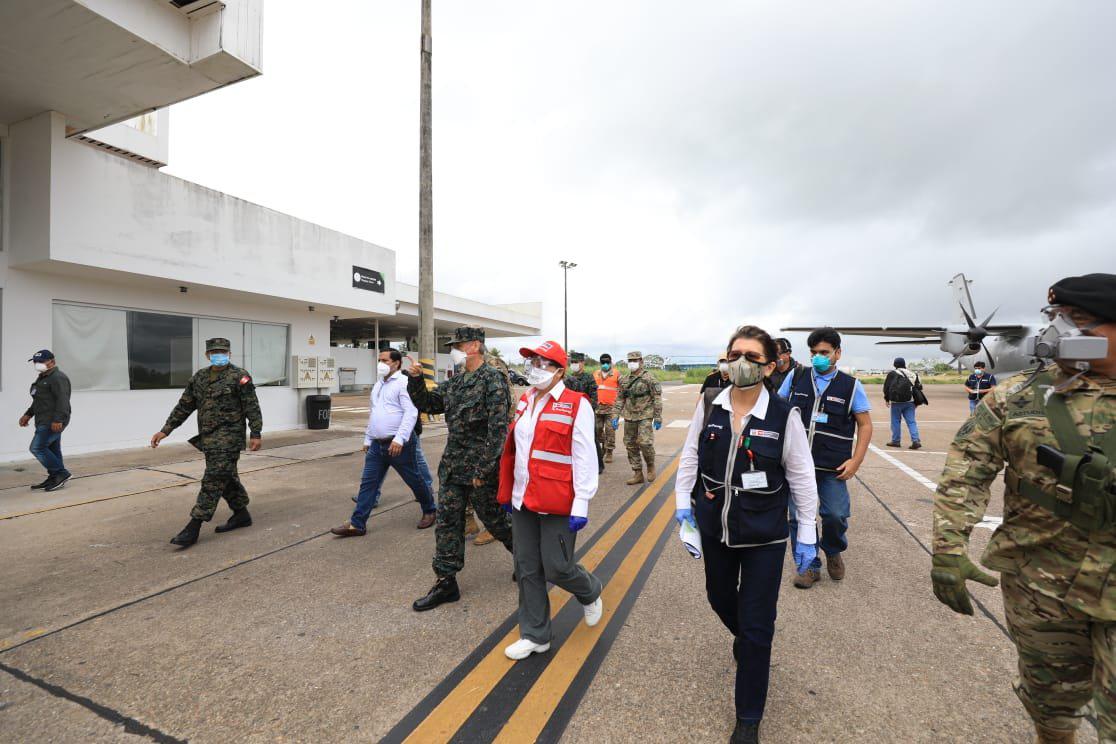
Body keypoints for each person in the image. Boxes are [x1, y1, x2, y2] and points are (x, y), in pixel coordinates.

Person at [931, 273, 1116, 744]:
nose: (1057, 331)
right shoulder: (1018, 396)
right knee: (1050, 706)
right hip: (1040, 586)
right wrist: (948, 547)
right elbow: (966, 469)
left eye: (1078, 321)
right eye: (1056, 318)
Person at [675, 325, 819, 744]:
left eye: (752, 357)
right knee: (719, 598)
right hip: (715, 528)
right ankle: (748, 641)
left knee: (758, 628)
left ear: (770, 366)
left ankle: (748, 719)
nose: (741, 362)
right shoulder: (709, 403)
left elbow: (802, 477)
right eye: (735, 353)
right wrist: (682, 506)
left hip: (764, 536)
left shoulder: (783, 413)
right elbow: (689, 457)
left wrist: (806, 533)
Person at [498, 341, 603, 660]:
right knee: (527, 567)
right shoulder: (525, 400)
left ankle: (590, 590)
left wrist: (582, 501)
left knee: (557, 567)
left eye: (542, 363)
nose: (534, 368)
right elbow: (517, 450)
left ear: (559, 371)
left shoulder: (576, 404)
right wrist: (508, 491)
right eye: (532, 362)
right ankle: (535, 635)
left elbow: (585, 455)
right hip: (523, 498)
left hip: (559, 499)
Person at [405, 326, 514, 611]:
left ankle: (529, 562)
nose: (452, 349)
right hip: (453, 465)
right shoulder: (456, 381)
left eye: (458, 344)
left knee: (497, 522)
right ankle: (445, 581)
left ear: (474, 346)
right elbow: (428, 403)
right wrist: (416, 380)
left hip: (479, 467)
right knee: (447, 523)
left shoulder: (492, 379)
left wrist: (485, 469)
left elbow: (498, 428)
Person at [778, 327, 873, 588]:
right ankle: (809, 566)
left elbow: (865, 425)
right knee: (798, 518)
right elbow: (777, 410)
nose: (818, 357)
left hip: (833, 466)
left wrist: (856, 460)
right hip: (797, 465)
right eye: (813, 353)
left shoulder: (851, 386)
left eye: (824, 352)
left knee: (835, 515)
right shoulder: (796, 379)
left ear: (837, 354)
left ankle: (832, 550)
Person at [152, 337, 262, 547]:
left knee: (213, 479)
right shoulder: (200, 378)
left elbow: (252, 407)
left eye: (222, 351)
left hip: (229, 438)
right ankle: (241, 514)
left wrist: (255, 433)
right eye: (214, 352)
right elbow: (184, 406)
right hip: (208, 438)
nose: (218, 355)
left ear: (229, 354)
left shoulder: (240, 377)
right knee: (226, 476)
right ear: (207, 355)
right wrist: (165, 430)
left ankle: (194, 526)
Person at [331, 349, 436, 537]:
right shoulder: (378, 384)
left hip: (399, 444)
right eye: (379, 359)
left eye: (384, 360)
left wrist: (399, 439)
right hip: (377, 445)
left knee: (415, 480)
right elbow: (375, 413)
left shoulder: (404, 382)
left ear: (396, 363)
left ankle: (429, 510)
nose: (380, 363)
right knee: (368, 483)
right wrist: (368, 438)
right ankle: (357, 524)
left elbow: (411, 413)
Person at [472, 351, 517, 547]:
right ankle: (468, 521)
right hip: (472, 434)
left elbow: (503, 397)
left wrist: (502, 428)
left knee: (492, 481)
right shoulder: (467, 365)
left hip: (494, 429)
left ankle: (495, 526)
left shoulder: (494, 364)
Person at [18, 350, 72, 492]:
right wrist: (28, 414)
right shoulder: (42, 378)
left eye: (41, 361)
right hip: (43, 420)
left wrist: (58, 419)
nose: (37, 364)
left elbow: (63, 401)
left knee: (37, 447)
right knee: (53, 450)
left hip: (53, 420)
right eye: (35, 362)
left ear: (52, 362)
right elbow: (39, 401)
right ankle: (54, 477)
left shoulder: (58, 378)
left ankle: (61, 473)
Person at [611, 351, 663, 485]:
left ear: (641, 361)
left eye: (635, 360)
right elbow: (619, 399)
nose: (632, 363)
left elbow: (657, 398)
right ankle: (637, 473)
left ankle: (650, 465)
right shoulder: (624, 379)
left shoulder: (649, 378)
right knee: (630, 445)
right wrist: (615, 415)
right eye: (630, 360)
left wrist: (657, 417)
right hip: (629, 416)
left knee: (645, 443)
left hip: (645, 414)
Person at [883, 357, 922, 449]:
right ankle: (915, 440)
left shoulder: (892, 374)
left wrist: (887, 399)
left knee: (895, 421)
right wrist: (916, 402)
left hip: (896, 402)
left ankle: (896, 441)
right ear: (904, 364)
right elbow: (918, 388)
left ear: (895, 364)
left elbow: (887, 387)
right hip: (910, 402)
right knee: (911, 422)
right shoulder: (913, 374)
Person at [593, 353, 621, 463]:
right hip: (598, 408)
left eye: (607, 362)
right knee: (598, 429)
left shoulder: (617, 374)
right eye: (603, 362)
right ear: (600, 363)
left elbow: (623, 390)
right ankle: (603, 443)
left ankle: (609, 451)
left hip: (611, 408)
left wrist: (620, 409)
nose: (605, 364)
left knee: (610, 430)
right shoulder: (595, 374)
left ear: (611, 362)